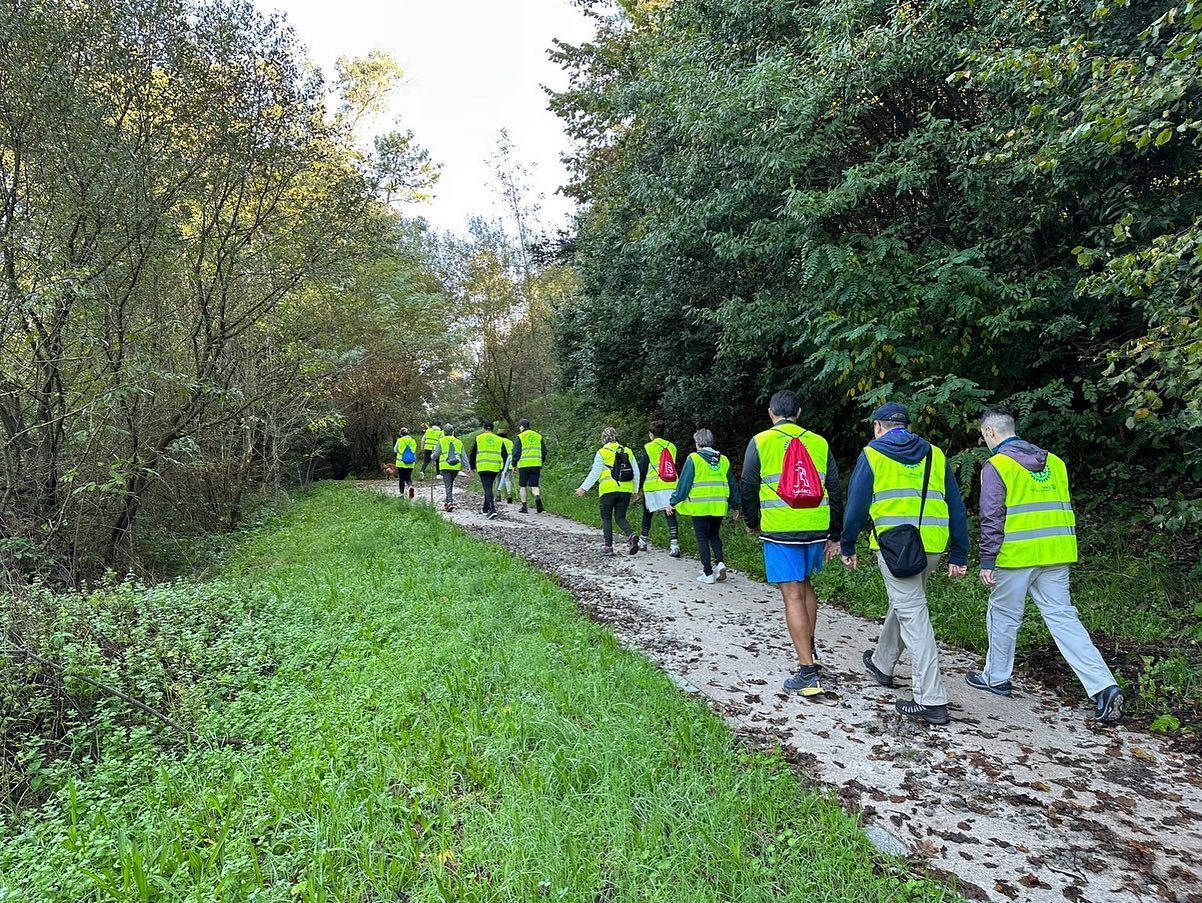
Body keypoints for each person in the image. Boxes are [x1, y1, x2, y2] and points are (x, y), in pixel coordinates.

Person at [971, 406, 1123, 722]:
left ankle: (996, 678)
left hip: (1016, 557)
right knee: (1064, 619)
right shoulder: (1055, 463)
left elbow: (991, 517)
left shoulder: (996, 466)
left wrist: (987, 560)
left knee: (1004, 616)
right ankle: (1104, 686)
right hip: (1056, 553)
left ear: (990, 432)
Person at [840, 402, 969, 726]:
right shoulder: (935, 454)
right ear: (907, 427)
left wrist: (847, 543)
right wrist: (959, 551)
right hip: (932, 546)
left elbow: (857, 503)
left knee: (915, 616)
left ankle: (931, 700)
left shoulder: (872, 453)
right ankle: (882, 663)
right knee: (907, 605)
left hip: (896, 547)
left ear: (878, 427)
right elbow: (956, 505)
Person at [742, 390, 843, 698]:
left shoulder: (760, 442)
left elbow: (748, 486)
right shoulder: (819, 442)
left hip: (780, 528)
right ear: (799, 412)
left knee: (792, 595)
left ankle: (808, 673)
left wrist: (751, 522)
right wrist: (835, 533)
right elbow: (835, 488)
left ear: (771, 412)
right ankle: (809, 649)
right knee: (806, 586)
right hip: (815, 526)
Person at [667, 428, 740, 583]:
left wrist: (672, 502)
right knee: (714, 534)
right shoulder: (723, 460)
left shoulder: (694, 458)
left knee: (702, 538)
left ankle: (707, 573)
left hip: (700, 506)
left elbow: (684, 485)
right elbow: (732, 484)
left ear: (698, 442)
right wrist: (735, 505)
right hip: (719, 505)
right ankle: (720, 563)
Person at [575, 427, 642, 556]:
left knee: (606, 518)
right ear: (616, 437)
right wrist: (634, 491)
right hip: (625, 490)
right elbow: (636, 472)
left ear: (603, 439)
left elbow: (595, 473)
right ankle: (631, 535)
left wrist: (584, 488)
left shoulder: (602, 452)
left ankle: (608, 547)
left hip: (608, 490)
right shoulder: (627, 451)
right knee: (620, 517)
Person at [636, 421, 682, 557]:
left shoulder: (648, 447)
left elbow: (642, 469)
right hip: (670, 484)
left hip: (653, 485)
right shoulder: (672, 447)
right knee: (670, 514)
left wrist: (637, 488)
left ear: (651, 434)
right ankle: (674, 545)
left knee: (647, 512)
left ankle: (643, 541)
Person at [470, 422, 508, 520]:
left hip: (483, 466)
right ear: (492, 429)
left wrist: (472, 466)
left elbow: (473, 452)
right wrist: (505, 467)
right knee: (489, 487)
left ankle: (492, 509)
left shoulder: (479, 438)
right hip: (495, 467)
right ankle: (485, 508)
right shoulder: (499, 439)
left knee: (487, 488)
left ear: (484, 428)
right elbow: (505, 455)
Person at [513, 418, 548, 513]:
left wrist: (514, 464)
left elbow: (516, 452)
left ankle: (524, 506)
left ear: (521, 427)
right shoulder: (538, 436)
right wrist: (541, 461)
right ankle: (537, 496)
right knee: (534, 485)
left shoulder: (520, 436)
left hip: (524, 465)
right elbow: (544, 451)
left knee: (522, 485)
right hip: (536, 464)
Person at [433, 423, 468, 512]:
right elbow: (463, 455)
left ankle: (450, 502)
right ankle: (447, 501)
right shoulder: (458, 442)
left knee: (448, 484)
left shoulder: (441, 441)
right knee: (450, 483)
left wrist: (431, 457)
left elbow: (435, 455)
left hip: (445, 466)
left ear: (444, 432)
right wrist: (467, 466)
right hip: (456, 466)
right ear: (452, 432)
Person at [393, 428, 418, 499]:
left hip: (400, 463)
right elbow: (414, 451)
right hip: (410, 463)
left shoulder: (399, 440)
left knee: (401, 478)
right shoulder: (413, 441)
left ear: (401, 434)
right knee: (408, 477)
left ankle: (401, 494)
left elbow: (395, 450)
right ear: (408, 433)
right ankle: (410, 486)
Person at [496, 425, 515, 504]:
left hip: (498, 463)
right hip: (508, 464)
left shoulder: (497, 441)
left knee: (498, 480)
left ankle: (498, 496)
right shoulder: (510, 442)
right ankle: (509, 496)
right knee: (507, 480)